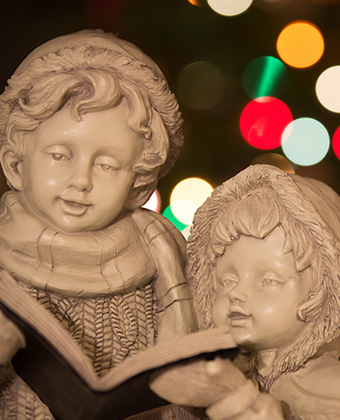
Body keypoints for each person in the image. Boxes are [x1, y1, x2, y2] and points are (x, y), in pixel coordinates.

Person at [0, 29, 197, 419]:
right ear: (16, 164)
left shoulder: (160, 251)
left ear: (138, 183)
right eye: (59, 155)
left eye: (107, 165)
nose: (81, 180)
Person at [184, 164, 340, 419]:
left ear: (321, 294)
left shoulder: (329, 395)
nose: (236, 294)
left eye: (267, 280)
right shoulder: (219, 379)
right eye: (227, 281)